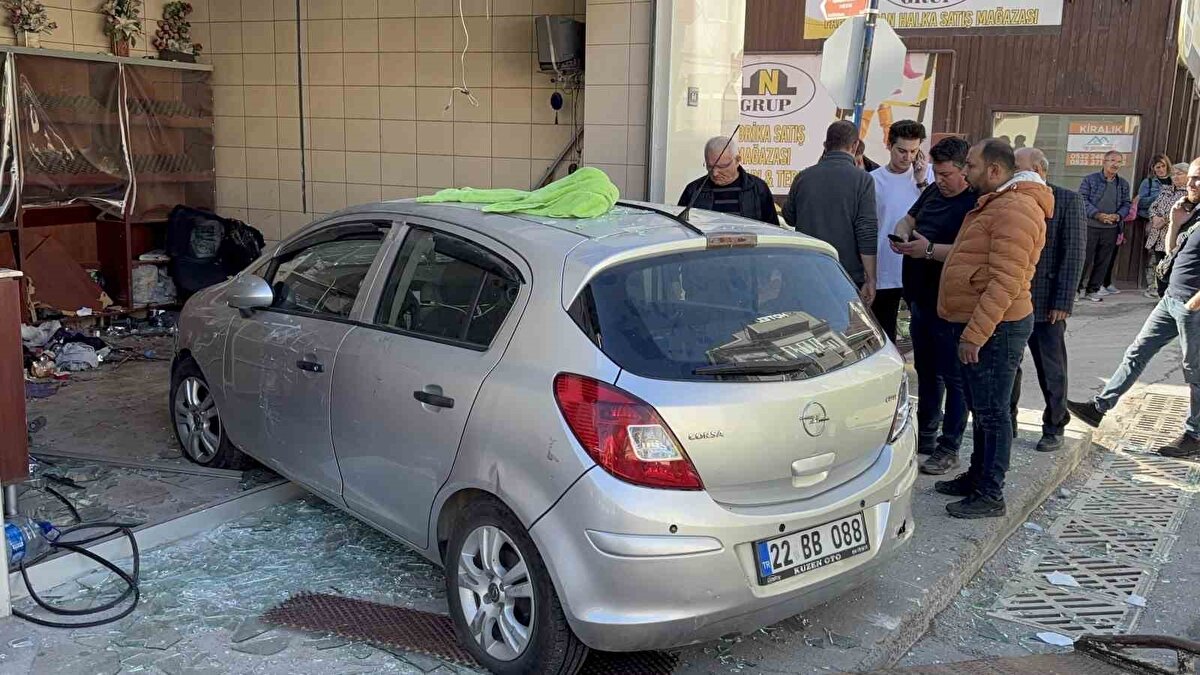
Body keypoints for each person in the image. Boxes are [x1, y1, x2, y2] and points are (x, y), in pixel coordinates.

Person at [926, 139, 1049, 518]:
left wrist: (975, 334)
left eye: (971, 166)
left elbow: (1005, 281)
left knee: (993, 413)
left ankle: (990, 493)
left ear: (995, 170)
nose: (965, 172)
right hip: (986, 324)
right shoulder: (999, 202)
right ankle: (977, 476)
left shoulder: (1015, 208)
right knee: (982, 409)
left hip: (997, 328)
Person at [1069, 159, 1200, 459]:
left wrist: (1194, 303)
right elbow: (1172, 253)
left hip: (1192, 306)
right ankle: (1099, 408)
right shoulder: (1192, 211)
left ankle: (1195, 435)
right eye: (1191, 178)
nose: (1191, 184)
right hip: (1171, 300)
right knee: (1137, 352)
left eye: (1198, 179)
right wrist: (1175, 222)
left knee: (1194, 371)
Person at [890, 136, 975, 475]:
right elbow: (908, 220)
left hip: (951, 303)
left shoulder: (975, 201)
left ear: (965, 170)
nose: (940, 180)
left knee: (954, 377)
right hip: (920, 298)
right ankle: (926, 433)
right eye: (936, 174)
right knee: (926, 371)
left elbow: (970, 253)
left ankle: (949, 446)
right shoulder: (932, 193)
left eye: (946, 174)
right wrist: (902, 234)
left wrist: (927, 251)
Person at [1008, 147, 1087, 453]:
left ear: (1040, 170)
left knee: (1051, 368)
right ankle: (1007, 422)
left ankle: (1054, 425)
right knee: (1009, 366)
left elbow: (1074, 254)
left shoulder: (1066, 200)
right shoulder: (1008, 198)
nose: (1014, 173)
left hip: (1046, 303)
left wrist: (1063, 302)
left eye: (1019, 167)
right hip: (1011, 300)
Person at [783, 120, 879, 305]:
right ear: (855, 146)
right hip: (846, 273)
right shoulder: (863, 180)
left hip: (807, 269)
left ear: (825, 145)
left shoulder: (803, 177)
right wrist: (871, 278)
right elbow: (866, 231)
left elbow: (789, 217)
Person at [870, 120, 934, 341]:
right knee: (884, 332)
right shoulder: (873, 180)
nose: (907, 157)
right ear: (889, 146)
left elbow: (935, 210)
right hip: (885, 267)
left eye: (913, 151)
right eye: (902, 151)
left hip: (920, 266)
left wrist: (921, 182)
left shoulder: (929, 175)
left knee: (923, 333)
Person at [678, 136, 779, 225]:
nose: (715, 173)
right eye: (710, 166)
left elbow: (773, 229)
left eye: (722, 166)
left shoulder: (757, 188)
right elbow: (680, 226)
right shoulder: (694, 190)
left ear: (737, 160)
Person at [1078, 151, 1132, 302]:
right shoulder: (1090, 180)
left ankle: (1092, 290)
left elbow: (1126, 203)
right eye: (1112, 160)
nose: (1115, 164)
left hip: (1111, 228)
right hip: (1091, 226)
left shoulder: (1123, 184)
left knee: (1103, 261)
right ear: (1104, 161)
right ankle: (1075, 290)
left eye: (1119, 162)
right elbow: (1082, 199)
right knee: (1083, 259)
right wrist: (1097, 214)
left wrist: (1118, 216)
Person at [1144, 162, 1191, 298]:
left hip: (1173, 237)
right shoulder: (1166, 190)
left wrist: (1164, 219)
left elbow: (1185, 212)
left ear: (1188, 176)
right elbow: (1153, 206)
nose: (1175, 177)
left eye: (1179, 174)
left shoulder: (1190, 193)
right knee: (1158, 264)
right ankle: (1159, 292)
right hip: (1157, 235)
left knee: (1171, 265)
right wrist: (1154, 217)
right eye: (1173, 174)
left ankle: (1169, 295)